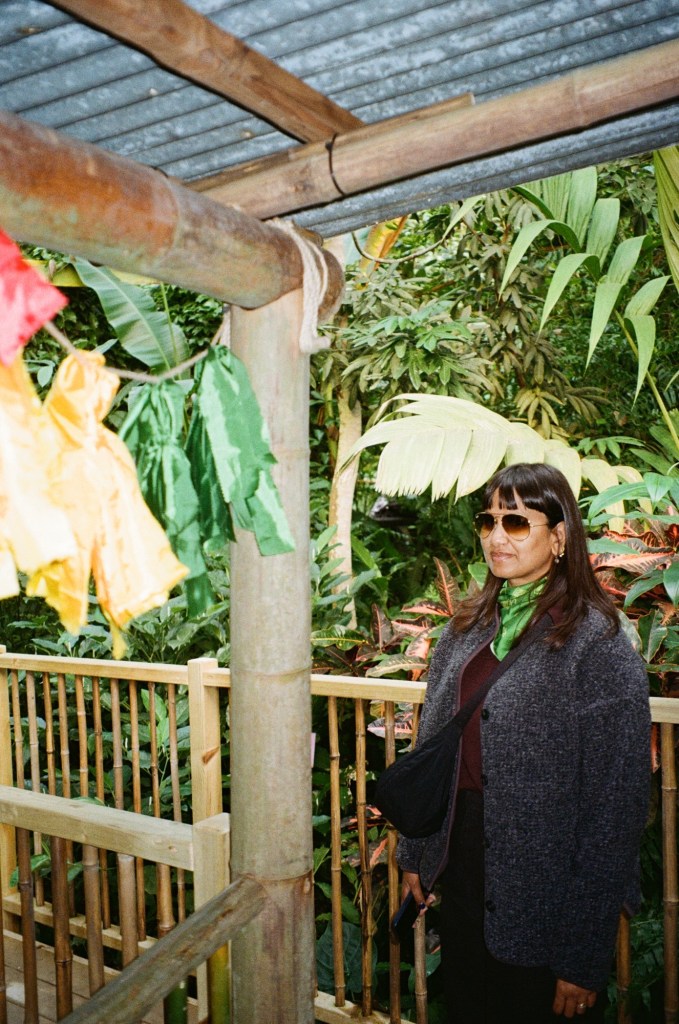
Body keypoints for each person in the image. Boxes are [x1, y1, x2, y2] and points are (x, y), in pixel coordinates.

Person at [397, 462, 651, 1023]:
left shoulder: (598, 644)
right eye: (487, 521)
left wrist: (583, 955)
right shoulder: (466, 628)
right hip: (462, 866)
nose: (496, 536)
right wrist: (418, 852)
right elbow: (432, 749)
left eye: (515, 522)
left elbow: (616, 809)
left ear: (559, 537)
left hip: (547, 883)